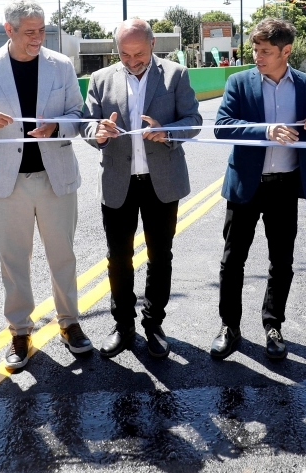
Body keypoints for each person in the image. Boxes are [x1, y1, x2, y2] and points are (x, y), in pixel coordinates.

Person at [0, 0, 91, 370]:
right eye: (30, 32)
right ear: (9, 30)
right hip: (8, 181)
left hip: (55, 177)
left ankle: (69, 323)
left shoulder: (61, 65)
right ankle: (20, 330)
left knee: (62, 255)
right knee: (14, 260)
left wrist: (56, 126)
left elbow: (77, 114)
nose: (38, 38)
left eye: (42, 31)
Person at [209, 18, 306, 361]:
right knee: (233, 261)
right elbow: (222, 126)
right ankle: (229, 327)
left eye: (265, 51)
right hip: (246, 185)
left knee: (282, 262)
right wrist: (266, 130)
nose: (257, 56)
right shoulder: (238, 82)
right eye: (255, 50)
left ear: (286, 51)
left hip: (285, 186)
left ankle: (273, 325)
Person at [82, 19, 203, 359]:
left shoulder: (175, 74)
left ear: (152, 44)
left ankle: (153, 323)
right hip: (118, 183)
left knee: (159, 256)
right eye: (124, 54)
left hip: (161, 183)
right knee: (118, 258)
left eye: (138, 53)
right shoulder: (100, 79)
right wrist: (99, 131)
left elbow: (193, 120)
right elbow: (86, 123)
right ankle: (123, 325)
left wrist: (167, 131)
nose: (132, 61)